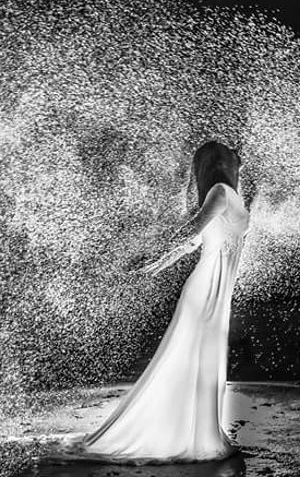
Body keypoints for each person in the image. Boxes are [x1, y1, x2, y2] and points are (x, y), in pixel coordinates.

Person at [58, 141, 250, 464]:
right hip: (205, 294)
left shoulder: (228, 197)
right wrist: (157, 261)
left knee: (205, 362)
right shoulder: (221, 194)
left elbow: (189, 241)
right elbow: (191, 235)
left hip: (216, 294)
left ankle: (199, 433)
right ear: (223, 165)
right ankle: (197, 436)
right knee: (197, 361)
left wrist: (161, 258)